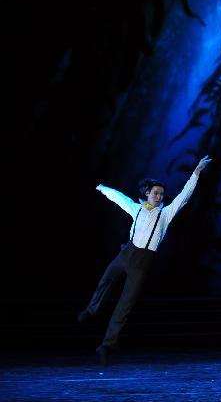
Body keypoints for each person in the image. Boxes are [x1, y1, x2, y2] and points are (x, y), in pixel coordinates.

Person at [78, 156, 212, 365]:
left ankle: (107, 344)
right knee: (106, 279)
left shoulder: (166, 214)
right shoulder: (137, 208)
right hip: (127, 254)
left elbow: (183, 196)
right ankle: (92, 309)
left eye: (161, 193)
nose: (159, 196)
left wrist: (196, 172)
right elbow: (119, 198)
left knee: (125, 304)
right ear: (147, 194)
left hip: (143, 262)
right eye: (155, 193)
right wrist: (101, 187)